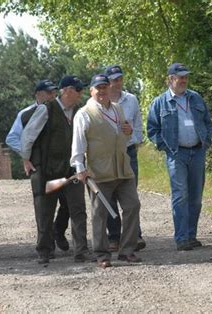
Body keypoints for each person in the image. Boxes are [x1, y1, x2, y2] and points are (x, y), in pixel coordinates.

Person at [71, 74, 142, 268]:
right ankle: (101, 254)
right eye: (98, 88)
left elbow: (123, 137)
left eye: (105, 87)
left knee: (133, 206)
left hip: (123, 169)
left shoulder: (118, 108)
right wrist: (80, 168)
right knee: (99, 214)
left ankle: (127, 251)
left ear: (109, 89)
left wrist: (127, 133)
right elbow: (78, 144)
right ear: (91, 91)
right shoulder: (84, 113)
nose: (102, 91)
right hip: (99, 172)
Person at [20, 75, 89, 264]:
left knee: (78, 209)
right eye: (78, 89)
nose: (81, 93)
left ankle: (81, 251)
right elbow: (28, 135)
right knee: (45, 211)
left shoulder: (79, 112)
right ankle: (44, 250)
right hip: (49, 171)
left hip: (72, 169)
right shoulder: (46, 109)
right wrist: (26, 159)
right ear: (66, 90)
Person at [147, 63, 212, 251]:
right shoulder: (160, 102)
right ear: (170, 79)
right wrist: (166, 147)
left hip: (198, 152)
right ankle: (181, 238)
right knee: (180, 195)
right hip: (177, 154)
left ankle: (191, 236)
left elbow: (207, 122)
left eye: (185, 77)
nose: (183, 80)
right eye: (179, 77)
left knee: (196, 197)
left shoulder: (196, 98)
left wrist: (206, 141)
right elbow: (152, 129)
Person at [5, 79, 71, 253]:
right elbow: (12, 138)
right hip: (40, 166)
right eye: (48, 92)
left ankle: (58, 230)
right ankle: (46, 246)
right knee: (43, 208)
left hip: (61, 164)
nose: (52, 95)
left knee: (68, 203)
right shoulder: (26, 114)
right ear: (38, 94)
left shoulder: (62, 110)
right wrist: (27, 157)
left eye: (54, 92)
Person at [104, 64, 146, 252]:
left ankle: (134, 235)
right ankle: (114, 236)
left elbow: (137, 125)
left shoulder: (131, 100)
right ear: (107, 82)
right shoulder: (99, 101)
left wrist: (133, 139)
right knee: (110, 195)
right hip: (106, 154)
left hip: (128, 151)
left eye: (120, 79)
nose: (118, 83)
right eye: (114, 80)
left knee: (130, 195)